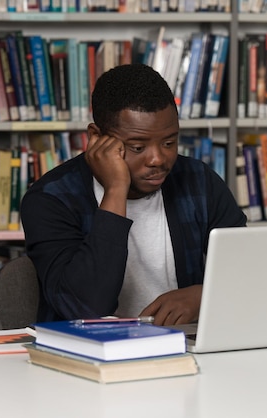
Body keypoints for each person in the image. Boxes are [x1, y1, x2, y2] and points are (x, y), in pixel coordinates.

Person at [21, 63, 247, 326]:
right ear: (96, 137)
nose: (158, 159)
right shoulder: (50, 199)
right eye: (138, 147)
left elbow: (249, 268)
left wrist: (202, 296)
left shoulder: (198, 181)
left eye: (169, 143)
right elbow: (85, 307)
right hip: (88, 355)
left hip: (183, 347)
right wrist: (116, 189)